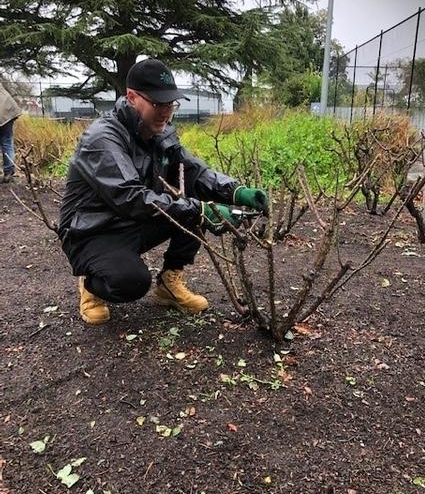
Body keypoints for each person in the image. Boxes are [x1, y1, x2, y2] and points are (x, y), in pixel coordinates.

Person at [58, 58, 268, 325]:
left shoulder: (161, 132)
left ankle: (169, 283)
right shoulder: (103, 139)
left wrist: (236, 191)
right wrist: (199, 210)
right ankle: (91, 282)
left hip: (134, 220)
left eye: (171, 104)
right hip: (93, 231)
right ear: (132, 97)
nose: (166, 112)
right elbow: (131, 197)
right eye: (158, 104)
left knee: (194, 199)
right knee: (131, 283)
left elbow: (193, 171)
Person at [0, 82, 21, 183]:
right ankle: (9, 173)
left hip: (4, 112)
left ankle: (8, 172)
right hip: (7, 109)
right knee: (7, 142)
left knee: (7, 141)